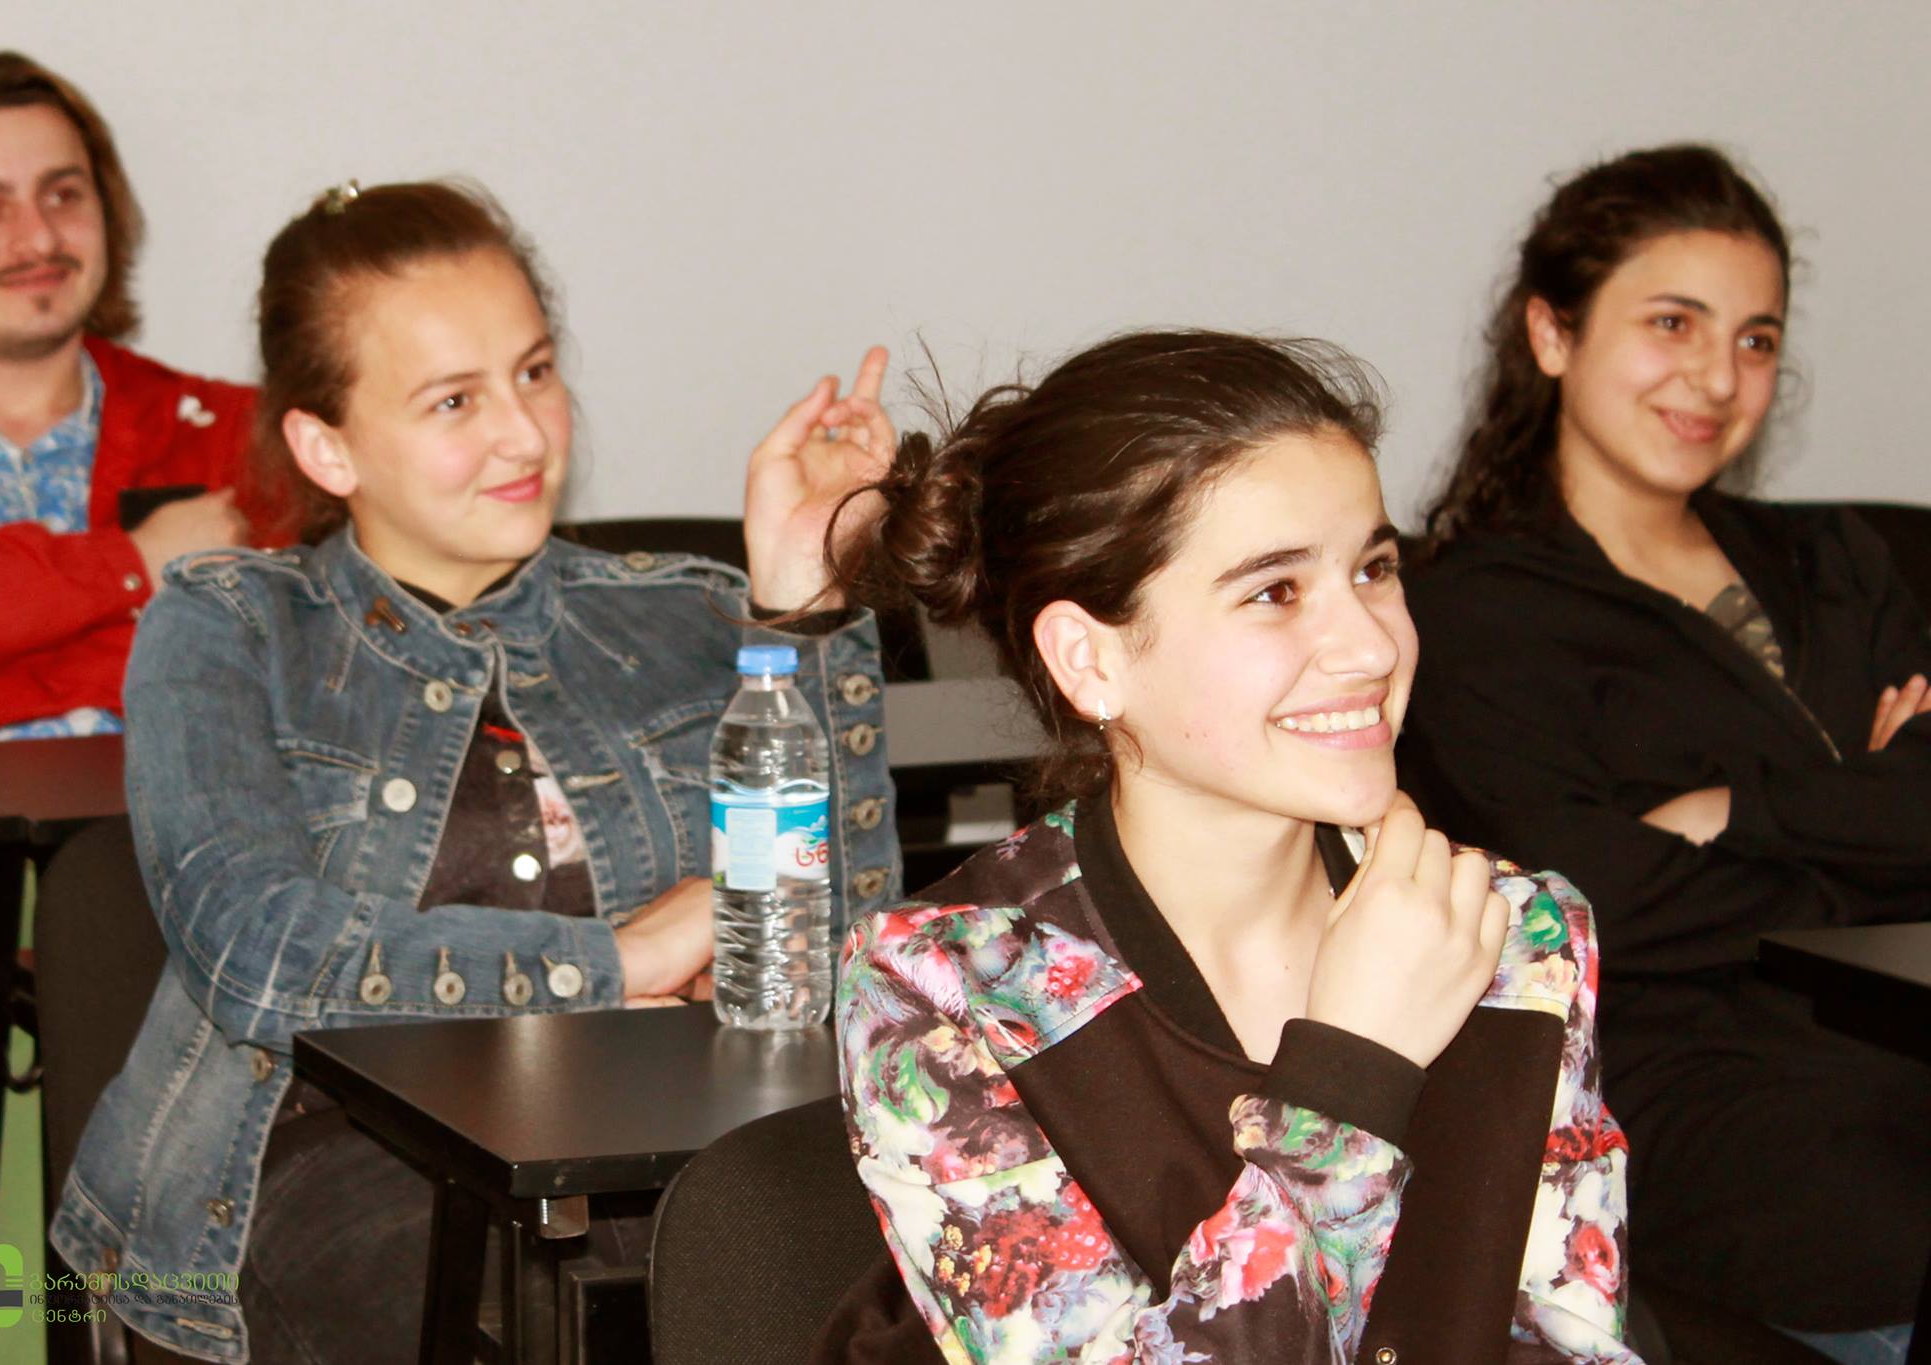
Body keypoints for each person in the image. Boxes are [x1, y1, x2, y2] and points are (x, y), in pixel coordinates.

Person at [47, 179, 903, 1362]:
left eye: (534, 372)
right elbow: (262, 954)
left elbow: (853, 950)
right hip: (331, 1157)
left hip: (670, 1158)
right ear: (326, 446)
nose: (525, 434)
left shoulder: (694, 617)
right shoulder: (234, 625)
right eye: (455, 399)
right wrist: (618, 961)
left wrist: (805, 614)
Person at [824, 330, 1640, 1363]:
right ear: (1089, 659)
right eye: (1274, 591)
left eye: (1374, 569)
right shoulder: (947, 985)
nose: (1372, 645)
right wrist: (1353, 1073)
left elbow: (1569, 1342)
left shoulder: (1513, 932)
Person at [1403, 144, 1930, 1362]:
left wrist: (1729, 814)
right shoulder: (1469, 613)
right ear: (1551, 334)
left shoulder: (1838, 555)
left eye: (1754, 339)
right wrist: (1864, 819)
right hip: (1701, 1095)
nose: (1716, 376)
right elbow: (1592, 899)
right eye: (1671, 323)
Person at [0, 51, 261, 745]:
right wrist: (129, 566)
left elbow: (284, 676)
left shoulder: (235, 434)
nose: (39, 238)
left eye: (63, 195)